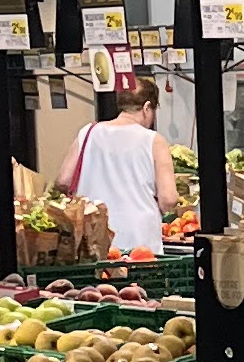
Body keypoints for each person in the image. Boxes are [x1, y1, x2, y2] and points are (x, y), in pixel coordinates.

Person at [65, 83, 177, 259]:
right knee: (139, 275)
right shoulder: (154, 140)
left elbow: (63, 180)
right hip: (139, 239)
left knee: (97, 276)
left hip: (93, 237)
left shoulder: (88, 132)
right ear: (147, 107)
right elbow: (169, 199)